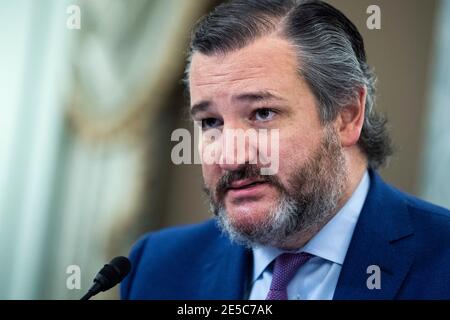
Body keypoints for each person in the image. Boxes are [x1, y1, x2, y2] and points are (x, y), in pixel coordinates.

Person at [121, 0, 450, 300]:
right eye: (210, 122)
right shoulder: (156, 268)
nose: (230, 158)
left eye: (262, 114)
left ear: (347, 116)